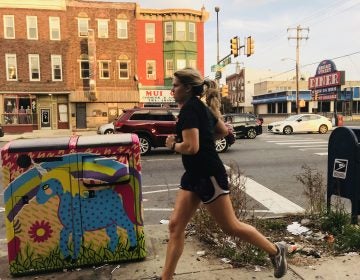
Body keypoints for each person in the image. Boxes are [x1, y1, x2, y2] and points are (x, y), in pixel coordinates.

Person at [158, 68, 287, 280]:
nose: (172, 89)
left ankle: (275, 250)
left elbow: (191, 147)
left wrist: (173, 145)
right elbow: (222, 131)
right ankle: (166, 278)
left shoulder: (192, 109)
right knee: (175, 226)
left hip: (208, 175)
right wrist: (206, 137)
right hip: (193, 175)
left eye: (175, 85)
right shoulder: (200, 108)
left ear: (188, 88)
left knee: (231, 226)